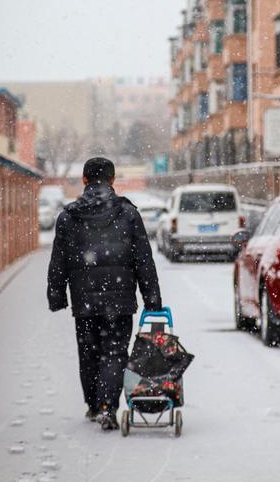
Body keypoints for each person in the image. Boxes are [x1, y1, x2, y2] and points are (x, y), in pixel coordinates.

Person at [46, 157, 162, 430]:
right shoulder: (128, 213)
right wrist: (152, 299)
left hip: (84, 300)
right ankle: (108, 406)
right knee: (115, 352)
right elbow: (144, 259)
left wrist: (56, 296)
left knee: (88, 352)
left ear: (84, 180)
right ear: (112, 180)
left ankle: (93, 404)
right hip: (120, 300)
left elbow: (58, 261)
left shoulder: (68, 216)